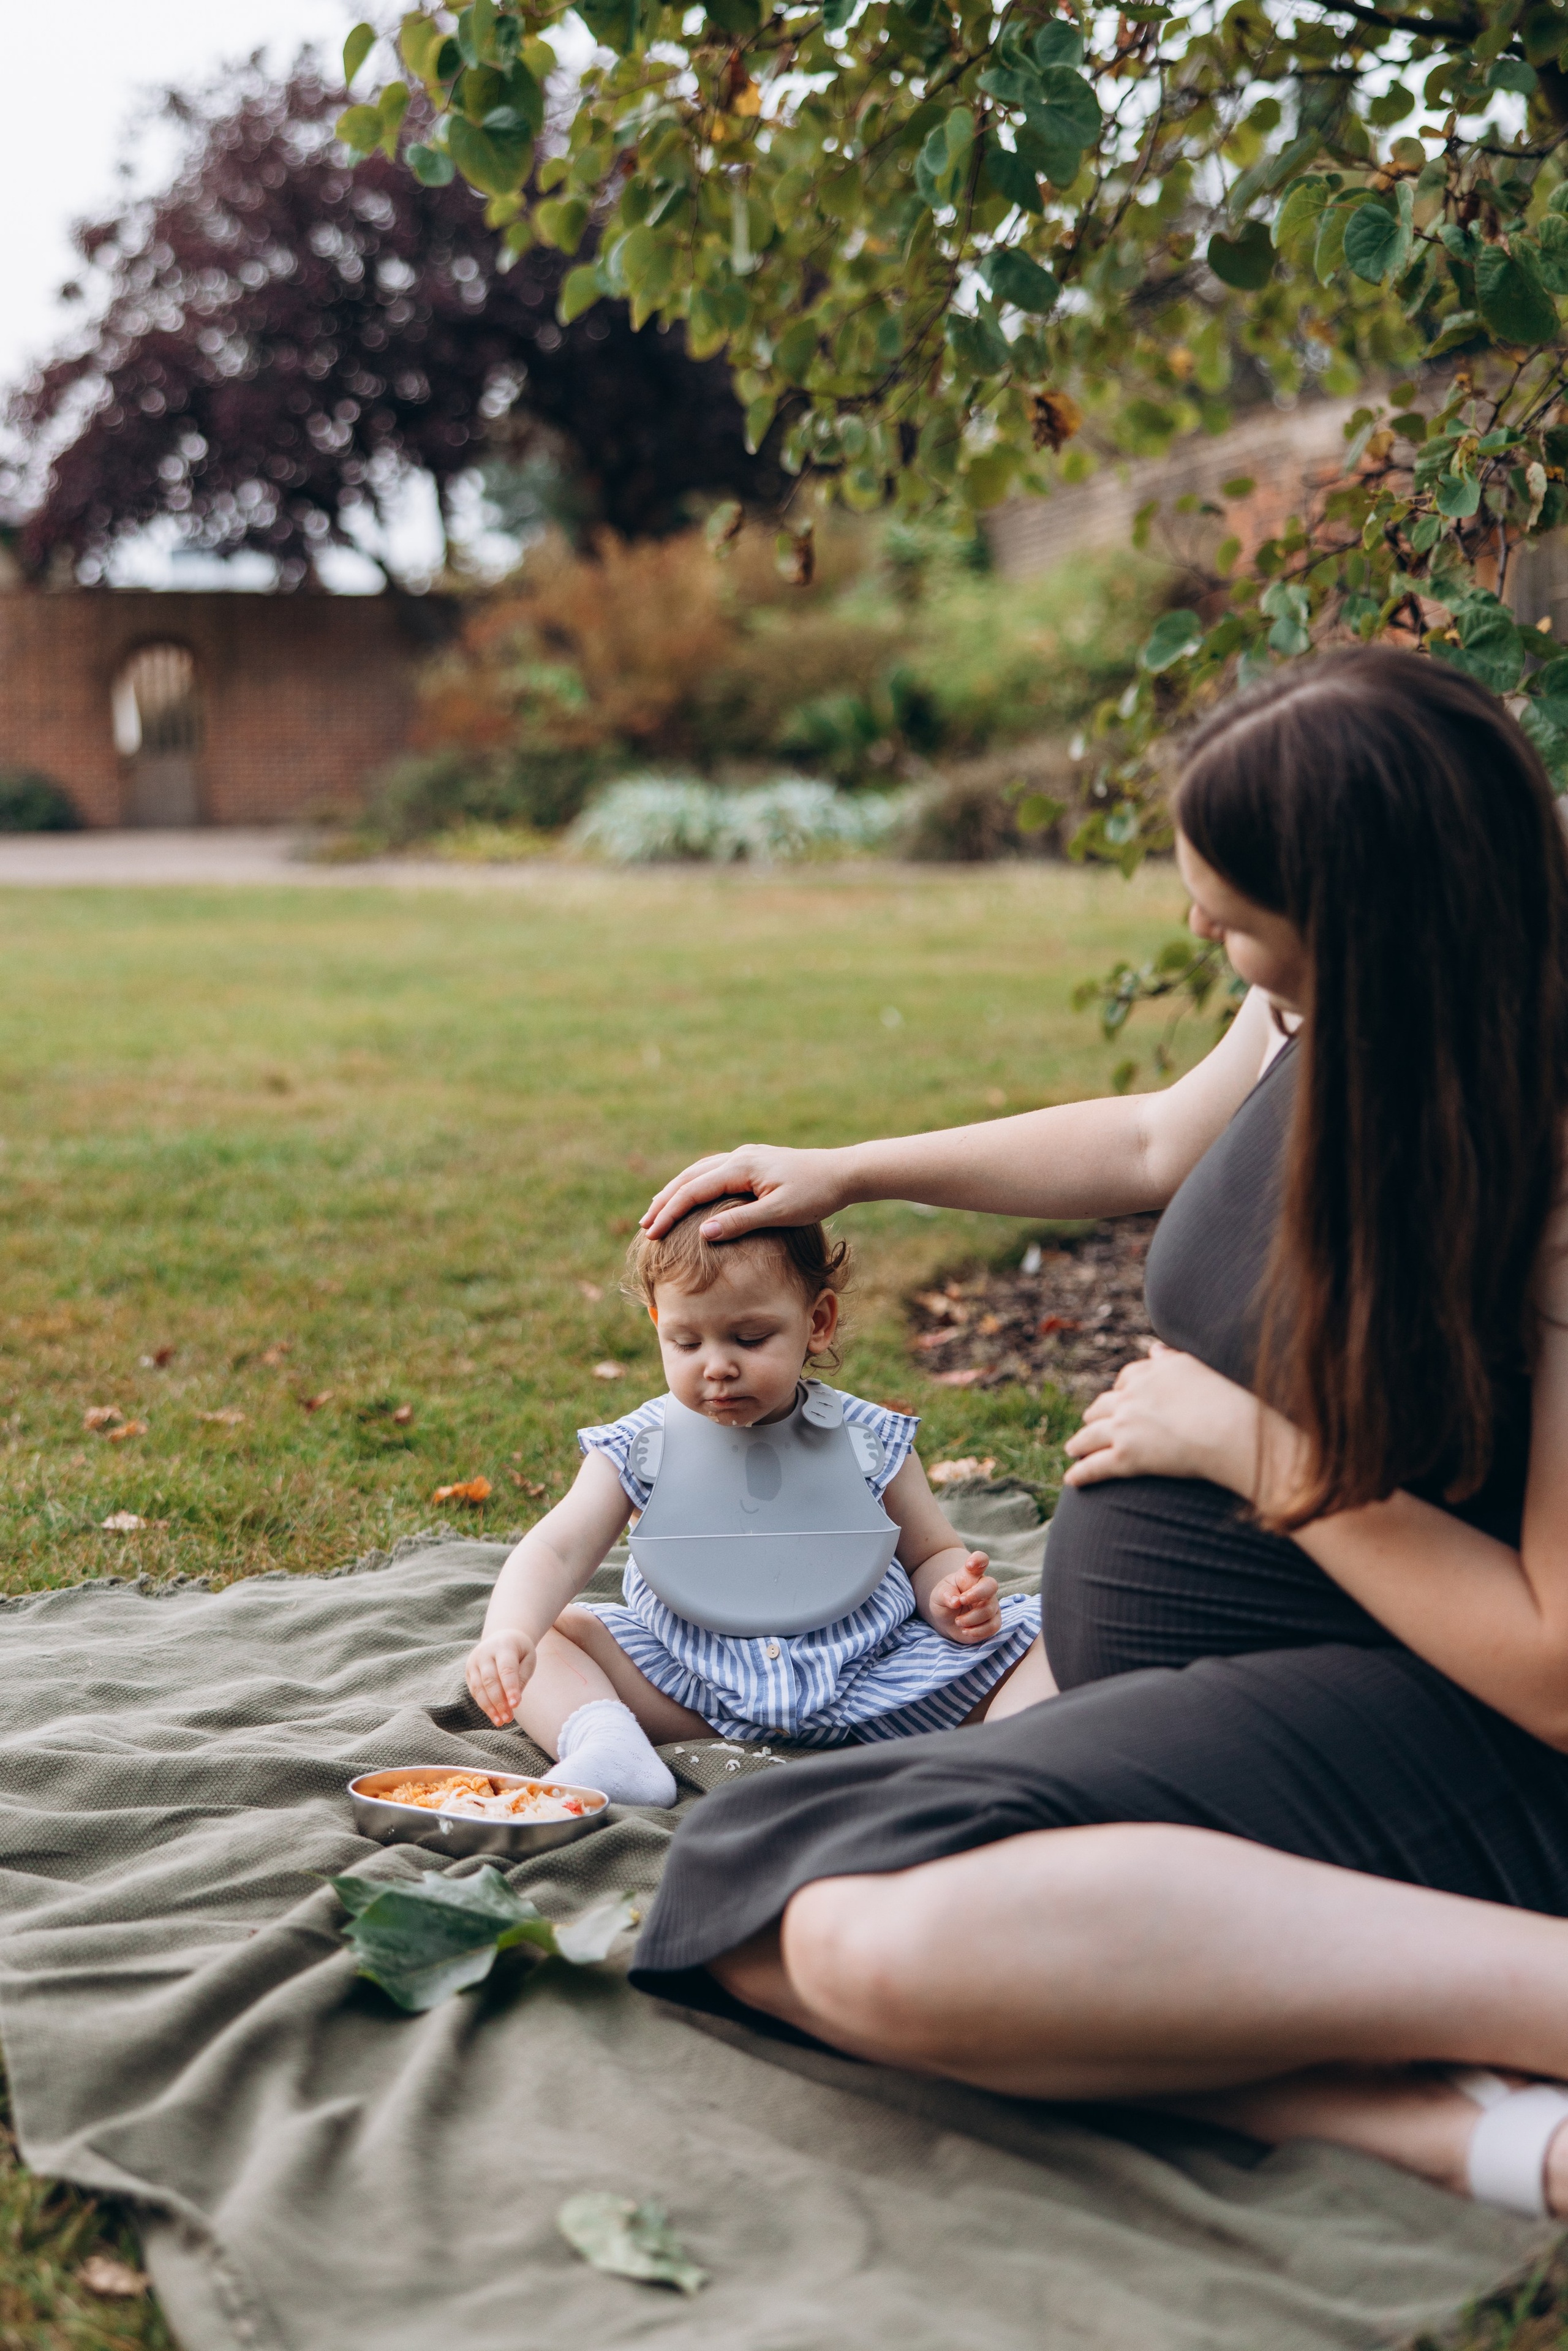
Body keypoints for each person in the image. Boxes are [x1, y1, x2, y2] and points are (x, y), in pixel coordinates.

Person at [625, 645, 1568, 2222]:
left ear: (1377, 930)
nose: (1200, 932)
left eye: (1235, 916)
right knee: (750, 1917)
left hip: (1451, 1745)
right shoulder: (1310, 1015)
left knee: (866, 1932)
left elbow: (1551, 1669)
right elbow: (1142, 1139)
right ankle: (1465, 2132)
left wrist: (1253, 1450)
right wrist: (848, 1168)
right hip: (1231, 1686)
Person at [465, 1202, 1042, 1805]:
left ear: (816, 1322)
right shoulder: (640, 1447)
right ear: (658, 1323)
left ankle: (1010, 1757)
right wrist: (510, 1631)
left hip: (874, 1685)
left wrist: (952, 1597)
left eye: (750, 1337)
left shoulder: (869, 1441)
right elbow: (557, 1551)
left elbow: (932, 1553)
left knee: (1049, 1630)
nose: (718, 1366)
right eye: (685, 1341)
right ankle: (610, 1744)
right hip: (696, 1696)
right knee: (548, 1630)